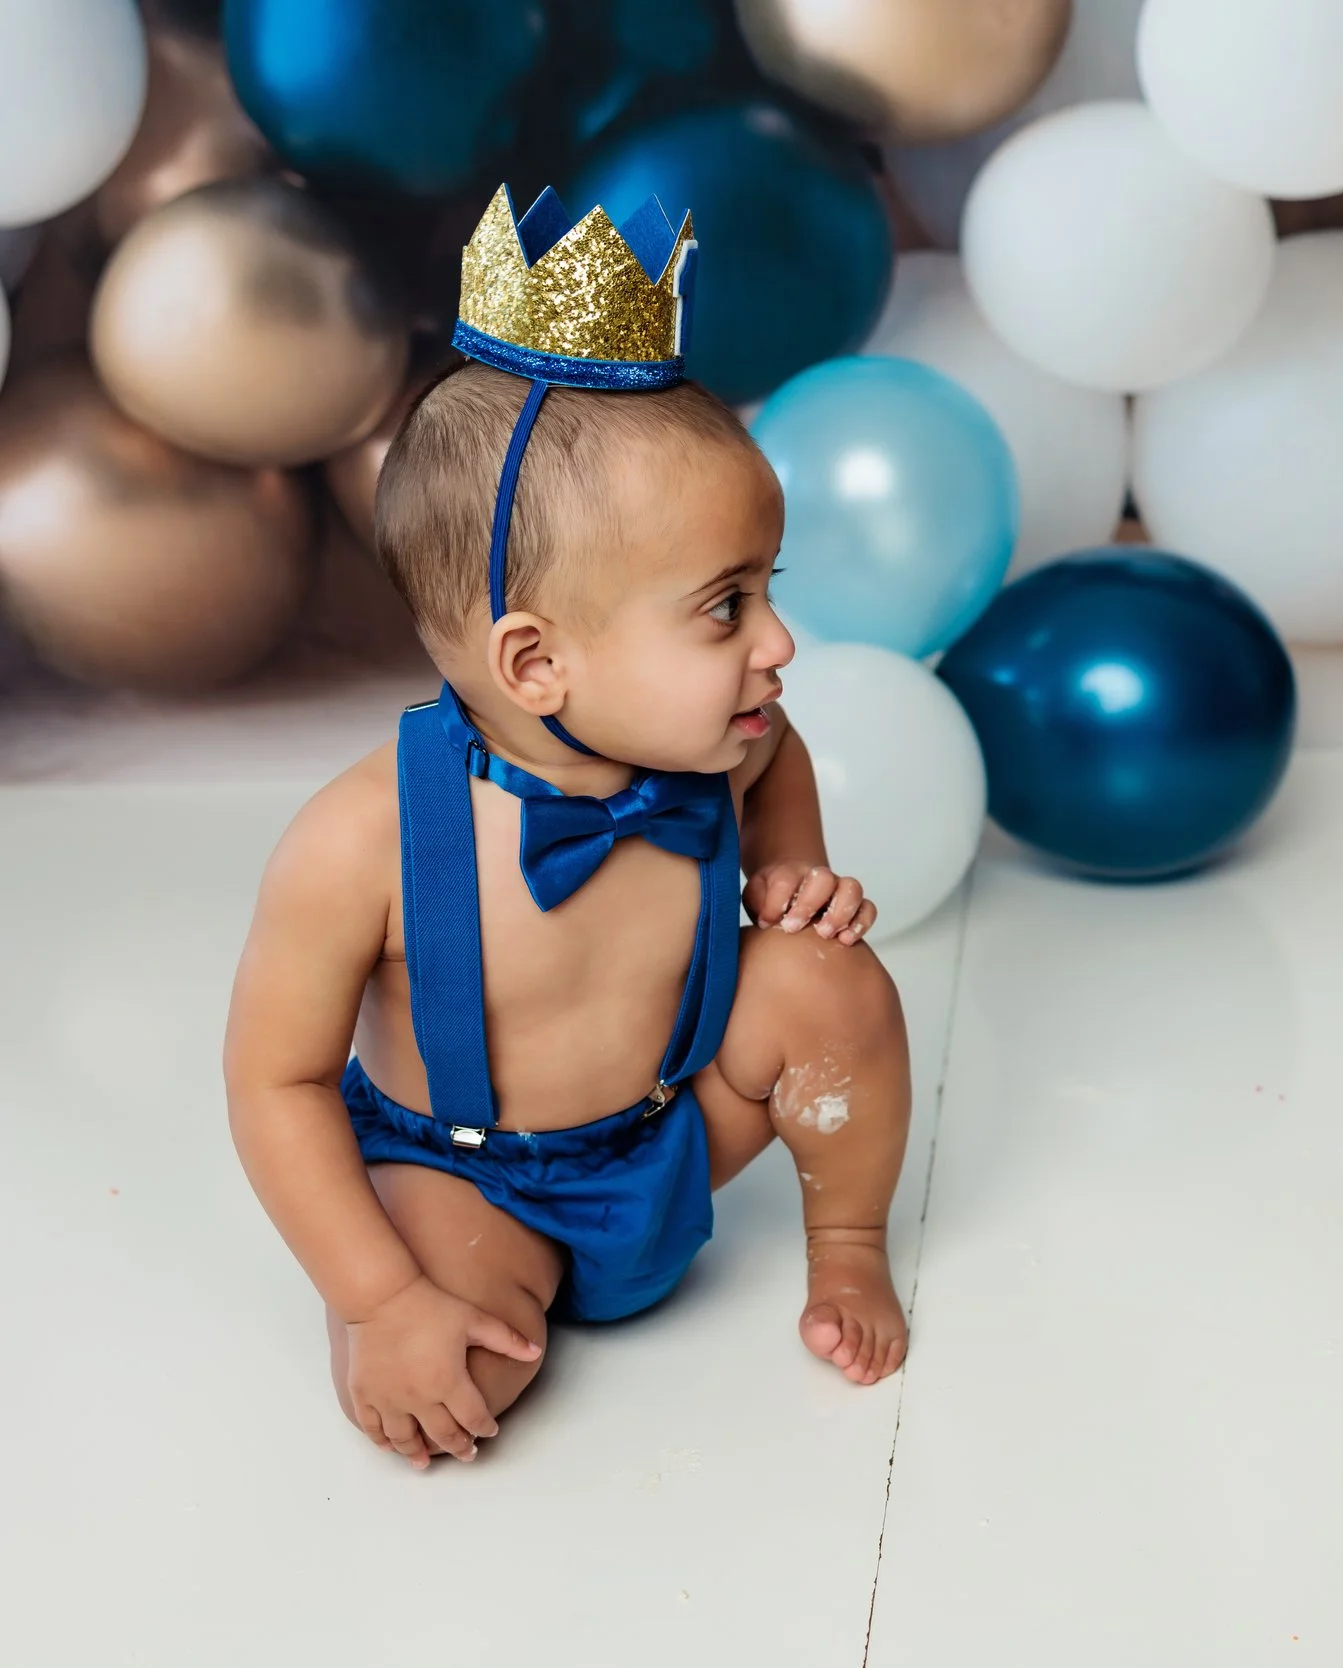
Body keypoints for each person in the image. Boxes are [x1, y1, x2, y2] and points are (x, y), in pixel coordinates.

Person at [225, 186, 910, 1474]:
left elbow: (783, 758)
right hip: (472, 1174)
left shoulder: (722, 742)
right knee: (452, 1386)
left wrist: (790, 870)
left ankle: (851, 1242)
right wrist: (383, 1299)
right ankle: (430, 1294)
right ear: (534, 663)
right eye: (724, 609)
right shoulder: (358, 841)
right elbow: (278, 1082)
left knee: (832, 990)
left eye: (771, 590)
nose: (779, 645)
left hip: (676, 1128)